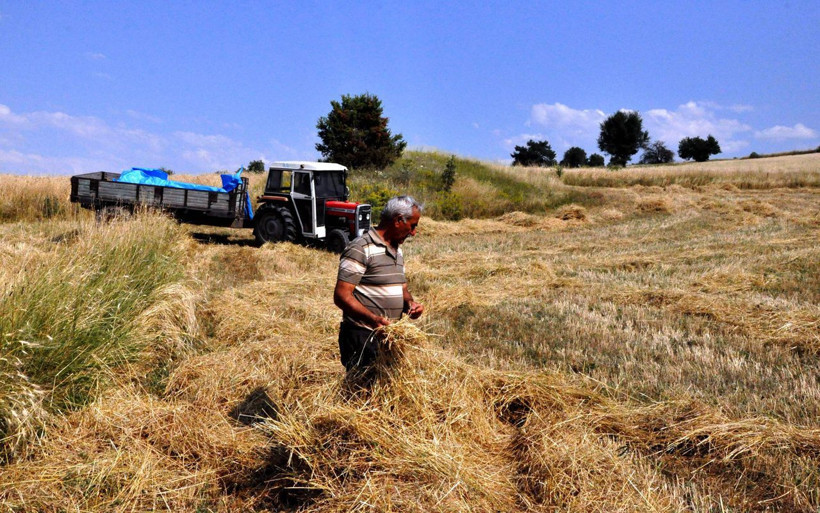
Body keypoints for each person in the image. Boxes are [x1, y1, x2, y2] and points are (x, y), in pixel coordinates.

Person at [333, 195, 424, 373]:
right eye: (412, 226)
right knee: (362, 387)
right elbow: (341, 296)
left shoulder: (397, 251)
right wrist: (373, 320)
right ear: (398, 220)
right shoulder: (360, 248)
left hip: (388, 337)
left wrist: (410, 304)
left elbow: (402, 288)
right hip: (363, 336)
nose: (413, 233)